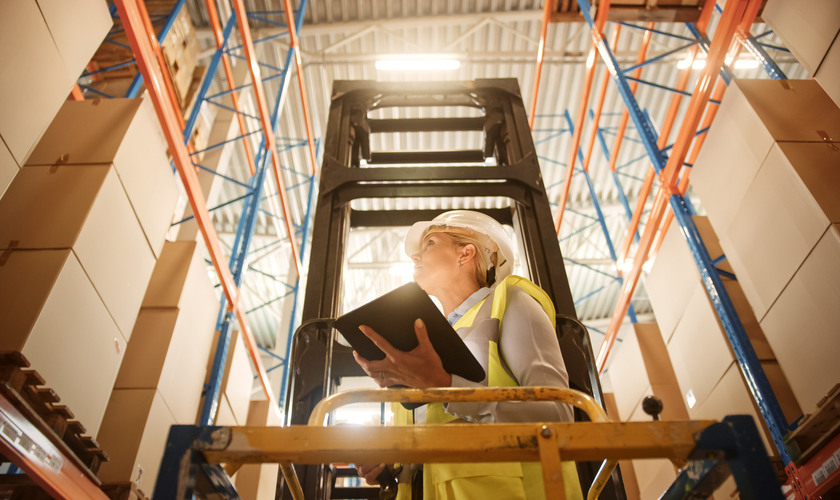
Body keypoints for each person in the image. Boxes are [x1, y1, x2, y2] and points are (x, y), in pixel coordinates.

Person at [352, 210, 581, 500]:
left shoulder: (509, 301)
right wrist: (389, 463)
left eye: (430, 243)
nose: (415, 256)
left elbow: (558, 415)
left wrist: (445, 387)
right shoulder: (428, 343)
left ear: (466, 253)